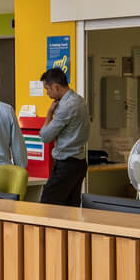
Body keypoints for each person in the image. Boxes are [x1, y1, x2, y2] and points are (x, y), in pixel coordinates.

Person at [37, 67, 89, 206]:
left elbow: (45, 136)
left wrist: (49, 114)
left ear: (56, 86)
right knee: (70, 208)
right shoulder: (79, 100)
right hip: (78, 162)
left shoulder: (66, 107)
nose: (47, 93)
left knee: (48, 204)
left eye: (47, 89)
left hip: (66, 164)